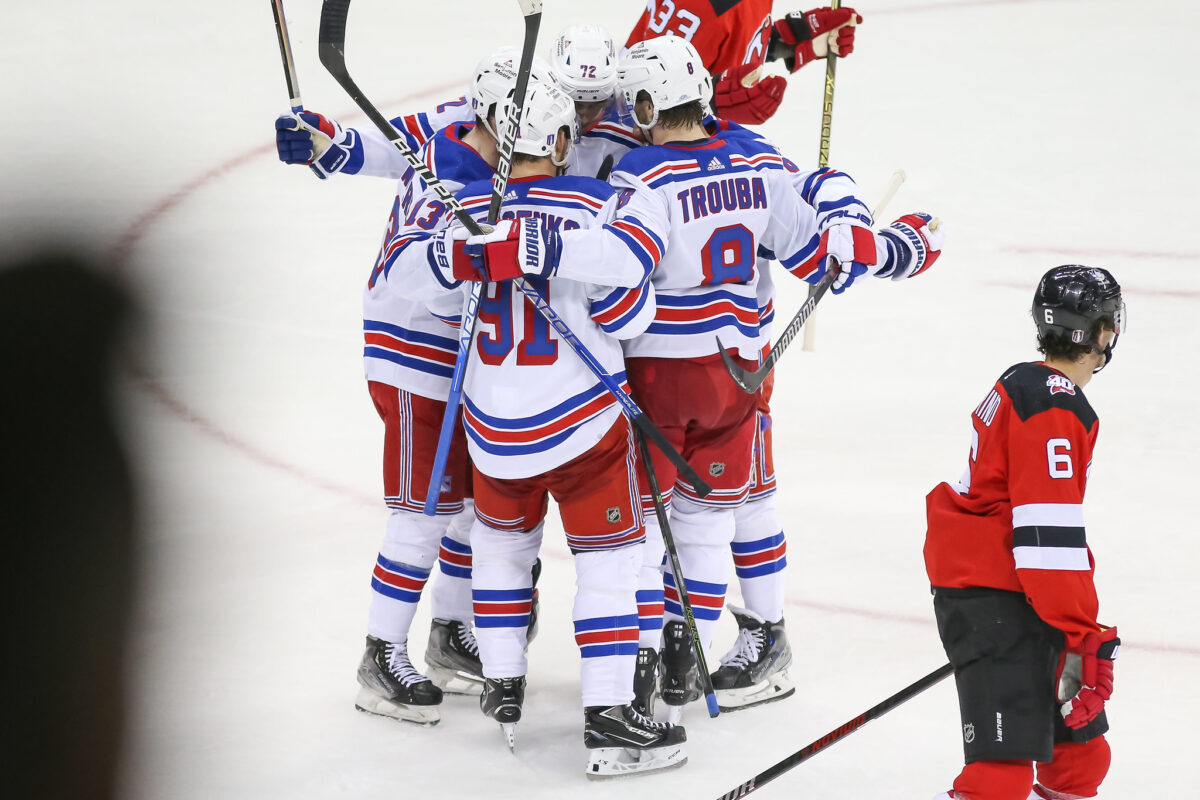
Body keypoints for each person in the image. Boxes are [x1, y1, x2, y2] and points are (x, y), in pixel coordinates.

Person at [468, 34, 944, 721]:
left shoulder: (644, 179)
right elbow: (821, 254)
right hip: (742, 376)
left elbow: (621, 270)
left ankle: (644, 665)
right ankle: (688, 650)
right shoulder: (756, 158)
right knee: (715, 516)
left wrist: (541, 249)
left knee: (640, 533)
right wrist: (873, 234)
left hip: (660, 378)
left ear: (644, 102)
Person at [389, 78, 687, 776]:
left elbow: (404, 269)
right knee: (609, 565)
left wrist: (479, 252)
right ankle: (611, 716)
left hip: (494, 435)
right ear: (559, 142)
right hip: (583, 429)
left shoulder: (464, 209)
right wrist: (546, 249)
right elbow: (635, 262)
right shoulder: (592, 199)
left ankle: (503, 680)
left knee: (501, 549)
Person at [924, 266, 1125, 800]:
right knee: (1001, 772)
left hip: (1012, 592)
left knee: (1079, 755)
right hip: (999, 595)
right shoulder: (1055, 406)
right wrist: (1082, 630)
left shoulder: (1023, 380)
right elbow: (1045, 538)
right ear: (1103, 332)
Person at [625, 2, 862, 124]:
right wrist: (721, 99)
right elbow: (642, 102)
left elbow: (728, 44)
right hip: (659, 168)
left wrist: (791, 37)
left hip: (700, 142)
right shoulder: (698, 4)